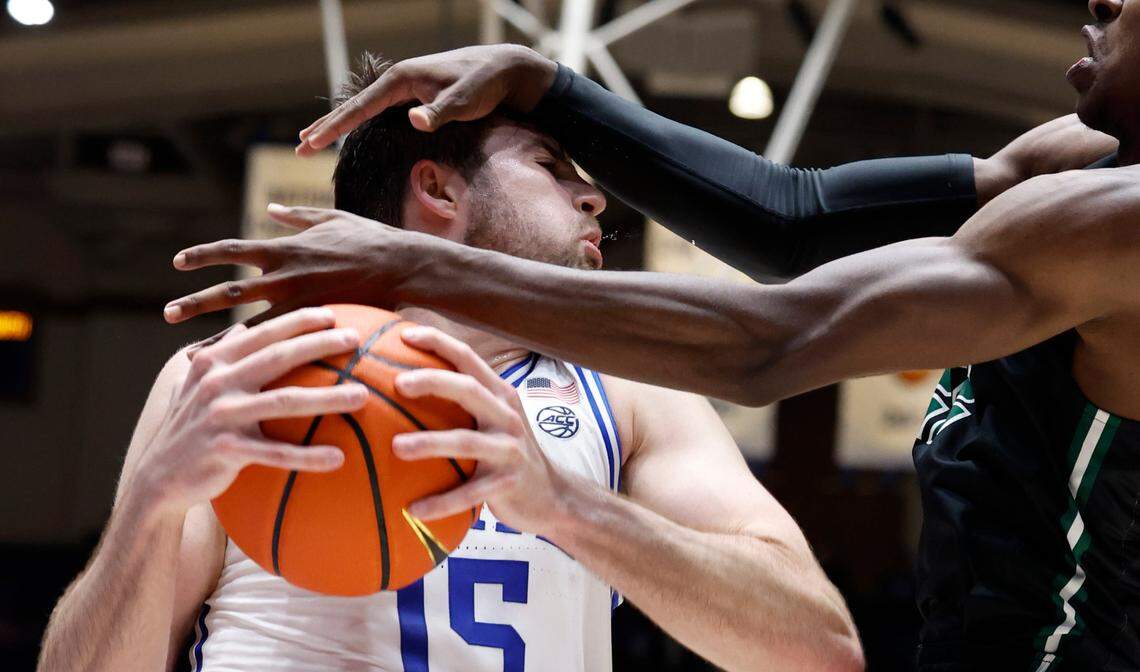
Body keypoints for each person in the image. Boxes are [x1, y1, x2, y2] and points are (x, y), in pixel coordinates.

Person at [164, 1, 1140, 669]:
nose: (1089, 14)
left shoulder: (1117, 226)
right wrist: (553, 87)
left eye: (1121, 1)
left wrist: (424, 268)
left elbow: (773, 343)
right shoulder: (1067, 166)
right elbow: (792, 222)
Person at [37, 56, 863, 672]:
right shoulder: (247, 374)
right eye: (550, 167)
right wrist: (148, 509)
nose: (595, 198)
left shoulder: (627, 393)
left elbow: (819, 649)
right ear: (437, 188)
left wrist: (569, 506)